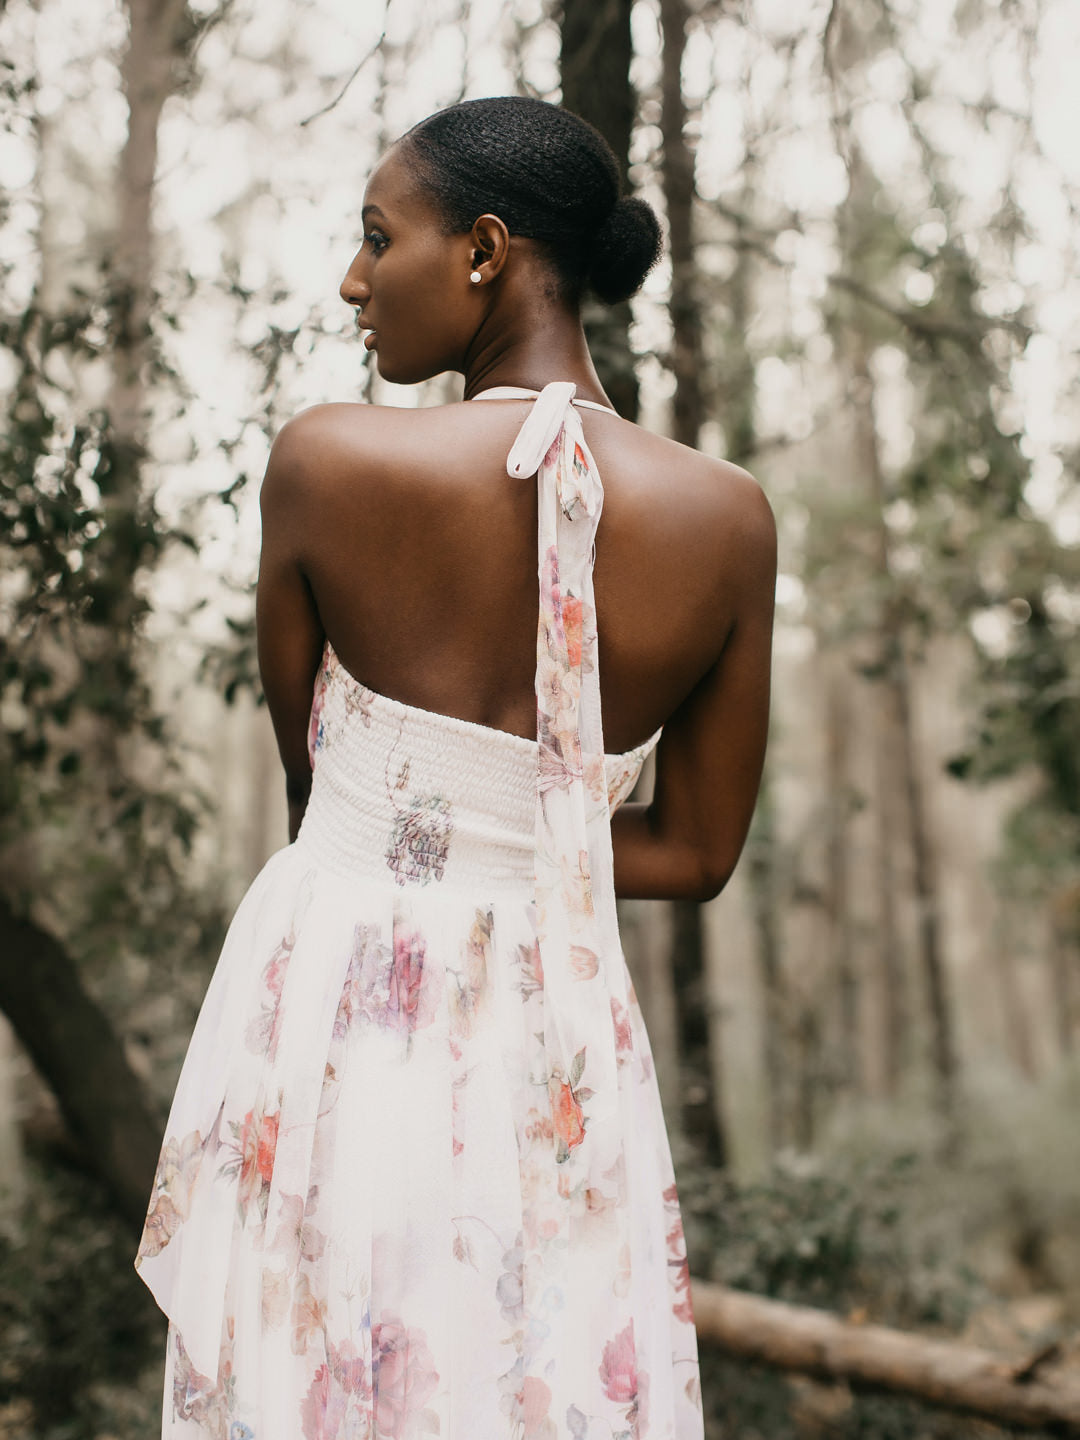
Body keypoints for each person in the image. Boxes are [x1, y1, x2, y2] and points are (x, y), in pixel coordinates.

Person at [134, 95, 775, 1440]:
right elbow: (698, 853)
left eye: (379, 236)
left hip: (336, 1011)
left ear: (484, 250)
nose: (353, 279)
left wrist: (424, 845)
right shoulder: (727, 521)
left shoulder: (328, 464)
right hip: (556, 1031)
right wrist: (522, 857)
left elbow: (319, 788)